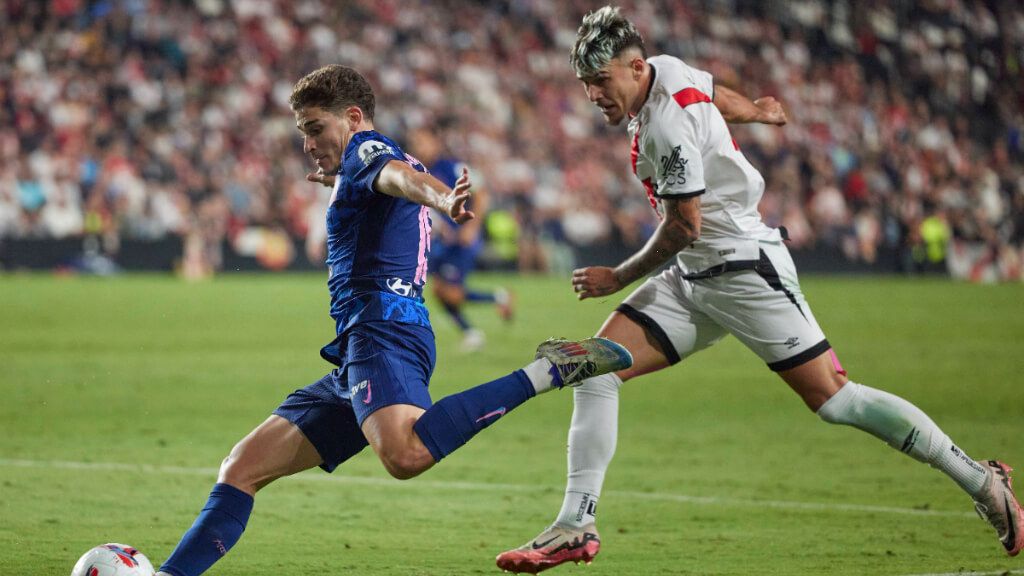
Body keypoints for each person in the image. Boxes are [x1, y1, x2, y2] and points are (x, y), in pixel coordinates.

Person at [496, 7, 1023, 573]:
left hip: (742, 269)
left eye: (600, 82)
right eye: (585, 84)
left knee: (835, 398)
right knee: (594, 369)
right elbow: (717, 93)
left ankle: (980, 480)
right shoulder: (667, 71)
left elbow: (683, 226)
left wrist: (616, 278)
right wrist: (760, 113)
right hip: (695, 275)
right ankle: (576, 525)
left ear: (634, 67)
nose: (593, 95)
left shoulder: (666, 123)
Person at [154, 64, 633, 576]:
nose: (308, 143)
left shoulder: (368, 151)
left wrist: (445, 197)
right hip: (361, 344)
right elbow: (385, 185)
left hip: (384, 332)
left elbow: (400, 179)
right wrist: (340, 180)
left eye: (316, 129)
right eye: (303, 134)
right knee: (242, 467)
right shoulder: (359, 164)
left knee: (405, 453)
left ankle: (550, 371)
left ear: (353, 117)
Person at [407, 127, 514, 351]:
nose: (418, 147)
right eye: (415, 143)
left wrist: (472, 228)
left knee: (451, 293)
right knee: (438, 291)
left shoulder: (452, 167)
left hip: (462, 240)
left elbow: (482, 193)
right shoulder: (419, 171)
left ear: (436, 142)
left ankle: (497, 299)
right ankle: (471, 330)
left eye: (423, 141)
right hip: (443, 241)